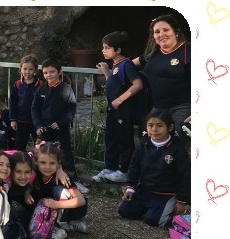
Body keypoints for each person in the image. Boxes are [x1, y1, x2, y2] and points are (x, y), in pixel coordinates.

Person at [117, 109, 190, 227]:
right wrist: (130, 188)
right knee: (124, 211)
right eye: (150, 125)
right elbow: (134, 167)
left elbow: (185, 176)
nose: (154, 129)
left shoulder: (178, 150)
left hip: (166, 194)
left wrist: (182, 201)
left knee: (153, 220)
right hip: (145, 190)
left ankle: (165, 211)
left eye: (159, 126)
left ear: (170, 127)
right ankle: (151, 209)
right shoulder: (143, 145)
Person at [93, 31, 144, 183]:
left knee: (124, 140)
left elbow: (138, 84)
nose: (103, 50)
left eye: (107, 47)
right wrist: (106, 72)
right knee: (111, 138)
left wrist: (120, 100)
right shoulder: (116, 65)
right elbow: (116, 83)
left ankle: (124, 170)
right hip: (113, 110)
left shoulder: (126, 64)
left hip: (123, 110)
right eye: (103, 47)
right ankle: (110, 167)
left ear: (118, 50)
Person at [31, 59, 86, 192]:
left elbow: (71, 109)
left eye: (52, 72)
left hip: (61, 129)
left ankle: (73, 181)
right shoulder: (41, 89)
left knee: (66, 154)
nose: (48, 75)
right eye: (45, 72)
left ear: (59, 72)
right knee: (44, 154)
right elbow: (35, 109)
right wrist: (38, 125)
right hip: (44, 129)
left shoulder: (66, 89)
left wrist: (61, 122)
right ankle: (43, 181)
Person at [133, 14, 191, 134]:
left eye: (166, 30)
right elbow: (130, 64)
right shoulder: (153, 53)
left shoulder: (189, 51)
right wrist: (115, 70)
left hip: (183, 108)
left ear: (176, 32)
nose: (161, 34)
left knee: (181, 142)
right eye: (157, 32)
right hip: (158, 108)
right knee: (153, 140)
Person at [31, 141, 88, 239]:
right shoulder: (35, 174)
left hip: (70, 208)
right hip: (49, 207)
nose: (47, 167)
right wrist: (27, 193)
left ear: (58, 164)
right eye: (43, 162)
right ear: (36, 162)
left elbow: (81, 200)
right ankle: (69, 223)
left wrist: (56, 204)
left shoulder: (63, 178)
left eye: (52, 163)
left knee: (59, 191)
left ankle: (63, 226)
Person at [9, 55, 43, 152]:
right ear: (21, 68)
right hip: (21, 121)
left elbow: (44, 104)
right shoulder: (17, 84)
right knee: (19, 147)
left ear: (35, 69)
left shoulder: (41, 85)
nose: (27, 72)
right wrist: (13, 119)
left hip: (37, 122)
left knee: (40, 147)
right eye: (25, 69)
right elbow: (13, 102)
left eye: (30, 69)